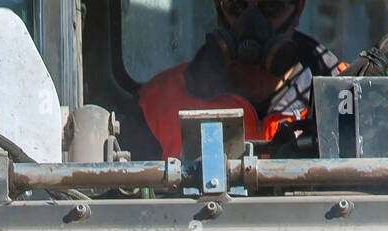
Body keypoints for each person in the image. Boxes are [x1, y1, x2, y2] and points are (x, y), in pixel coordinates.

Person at [118, 0, 343, 159]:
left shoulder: (345, 94)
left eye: (271, 7)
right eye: (236, 6)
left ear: (299, 8)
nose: (252, 23)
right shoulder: (156, 105)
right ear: (218, 6)